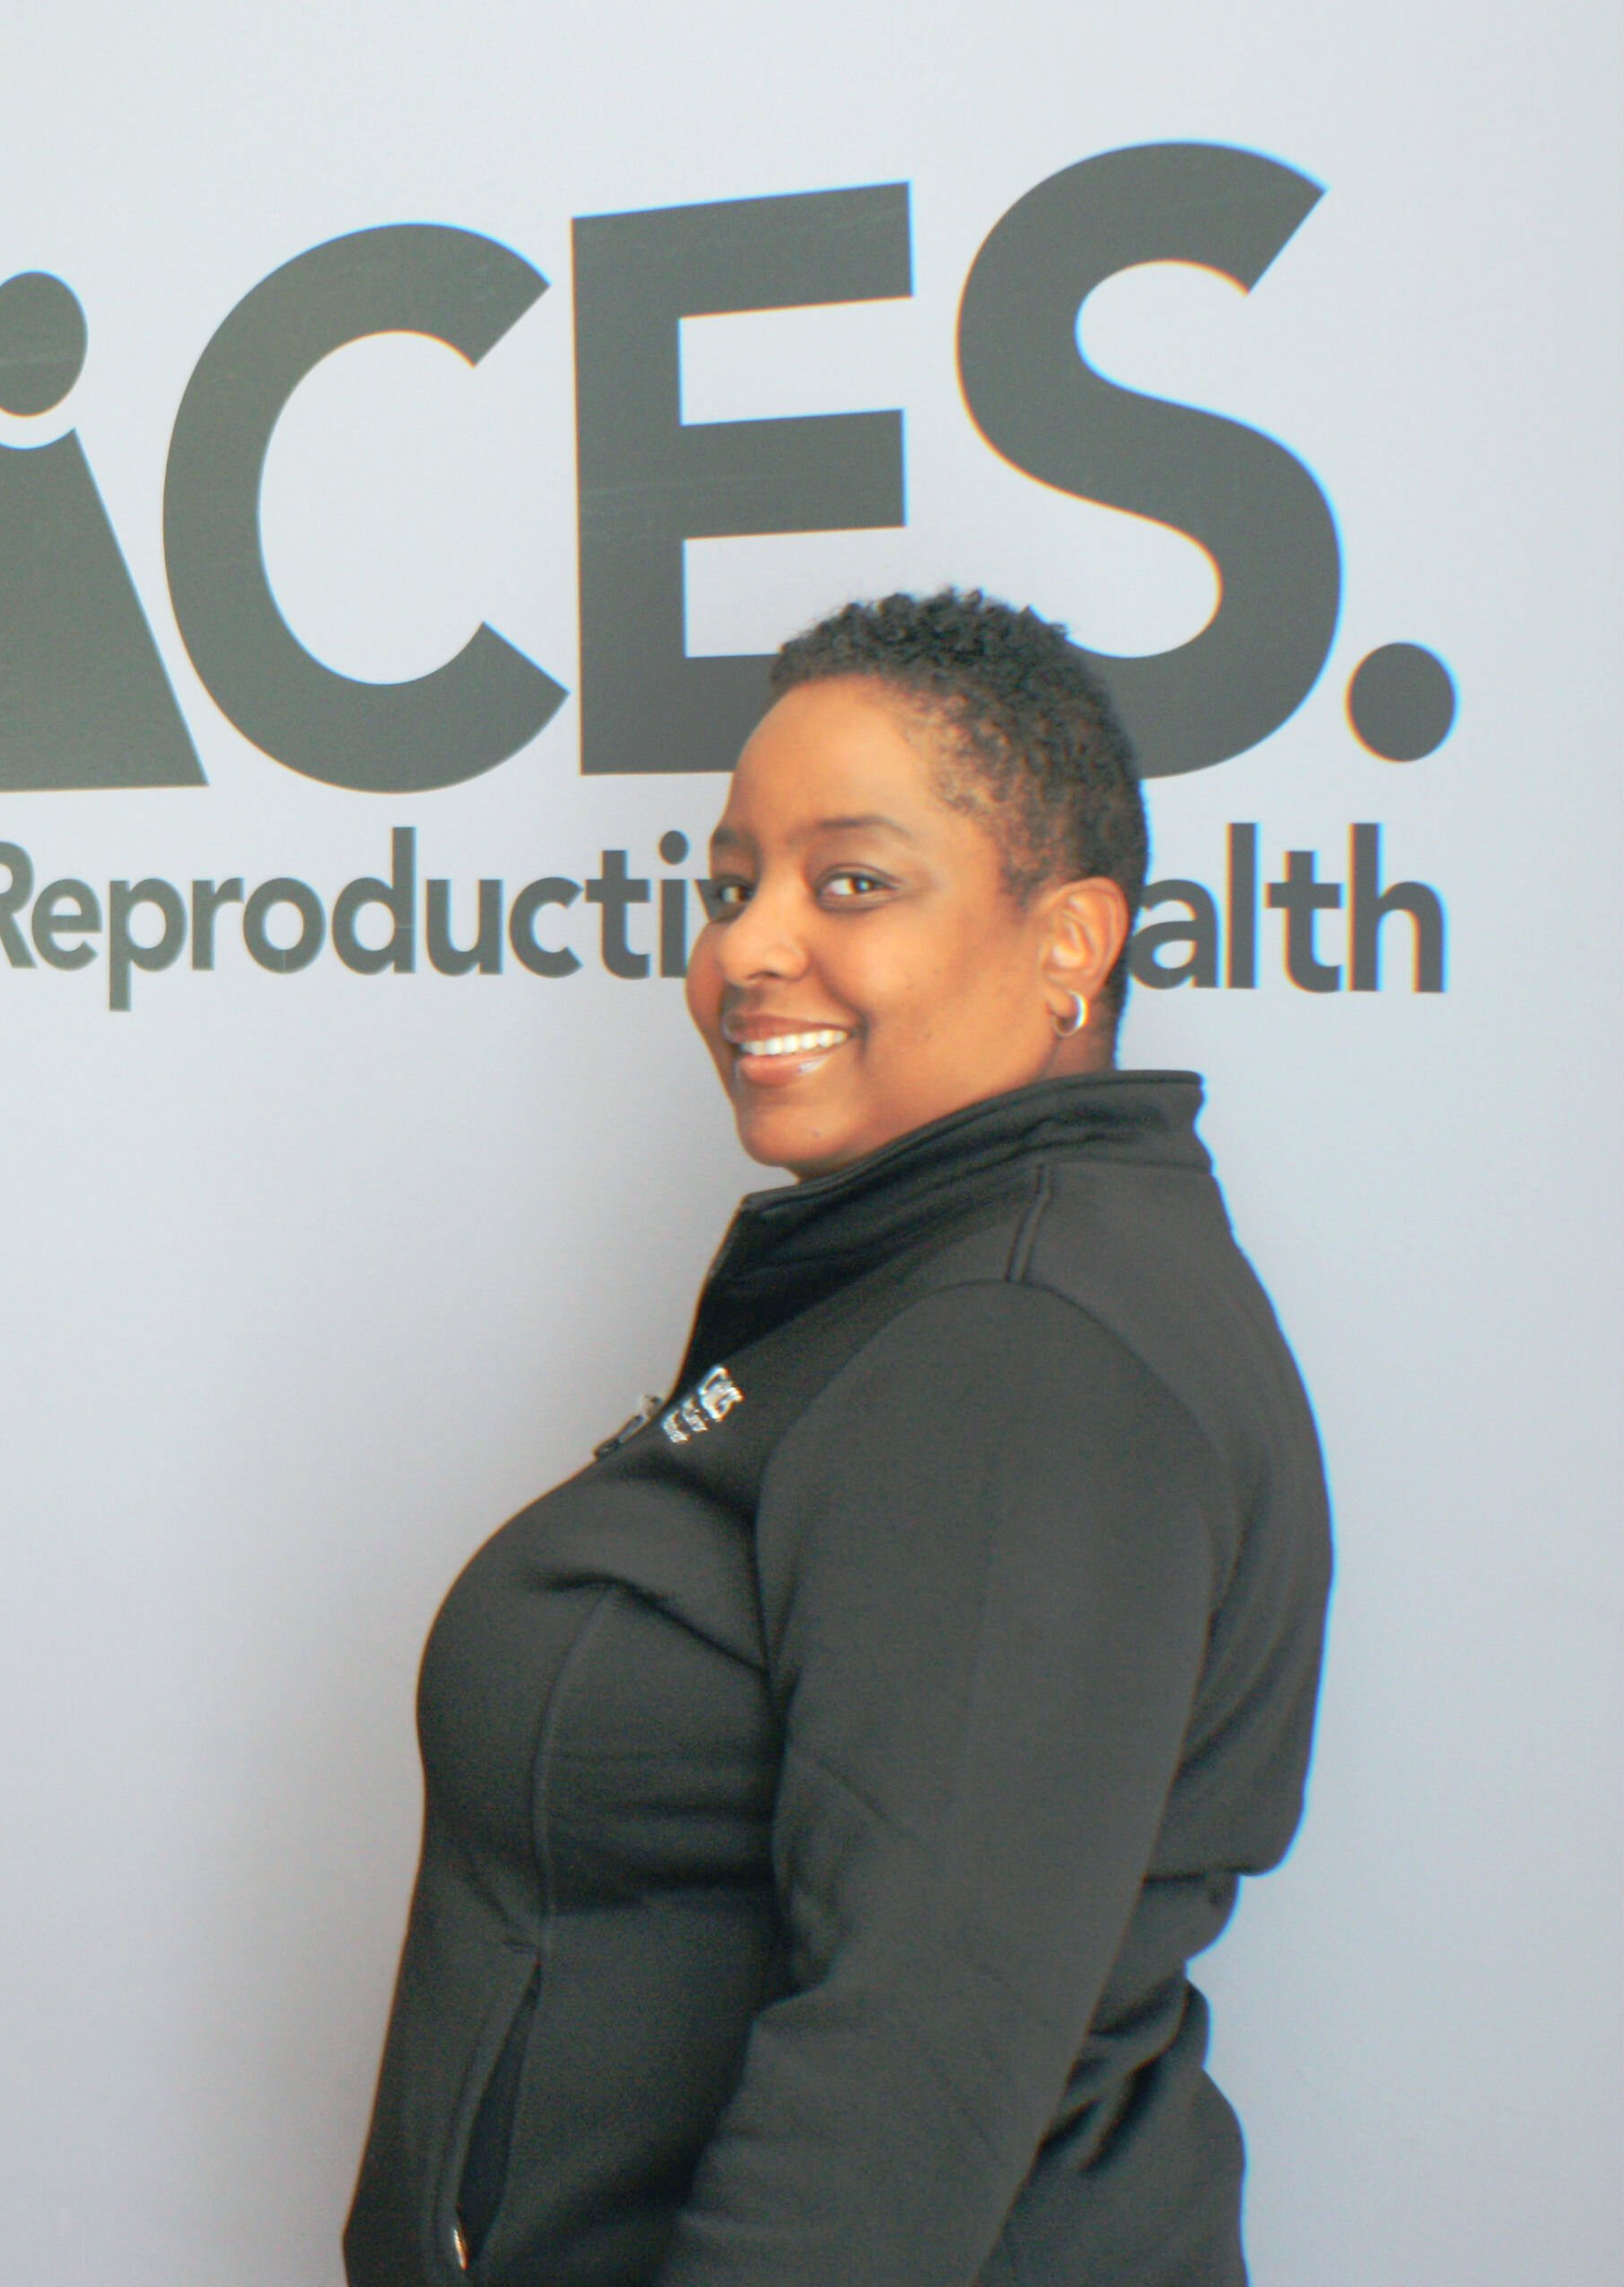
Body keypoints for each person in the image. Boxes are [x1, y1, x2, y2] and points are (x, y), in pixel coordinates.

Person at [344, 592, 1329, 2286]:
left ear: (1069, 940)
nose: (745, 948)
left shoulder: (1019, 1353)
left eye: (849, 881)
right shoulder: (934, 1274)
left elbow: (897, 2095)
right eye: (734, 884)